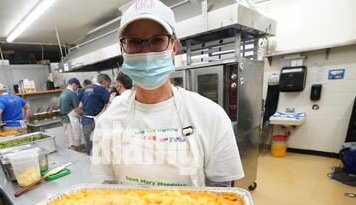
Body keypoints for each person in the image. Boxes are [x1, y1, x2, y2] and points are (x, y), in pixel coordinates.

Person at [92, 0, 244, 188]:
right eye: (134, 42)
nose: (146, 52)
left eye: (157, 40)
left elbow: (222, 195)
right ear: (122, 50)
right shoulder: (109, 120)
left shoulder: (210, 116)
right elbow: (106, 188)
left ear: (174, 47)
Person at [78, 74, 111, 156]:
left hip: (85, 120)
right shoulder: (102, 90)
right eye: (108, 83)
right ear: (104, 82)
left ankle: (89, 157)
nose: (109, 86)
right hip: (96, 120)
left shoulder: (86, 88)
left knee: (88, 141)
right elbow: (111, 103)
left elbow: (80, 105)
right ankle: (99, 158)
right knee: (99, 140)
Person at [60, 78, 83, 152]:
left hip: (65, 120)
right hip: (70, 121)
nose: (77, 88)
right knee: (74, 142)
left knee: (71, 141)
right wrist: (83, 114)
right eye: (77, 86)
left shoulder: (63, 93)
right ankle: (78, 158)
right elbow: (77, 109)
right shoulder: (71, 93)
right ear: (73, 84)